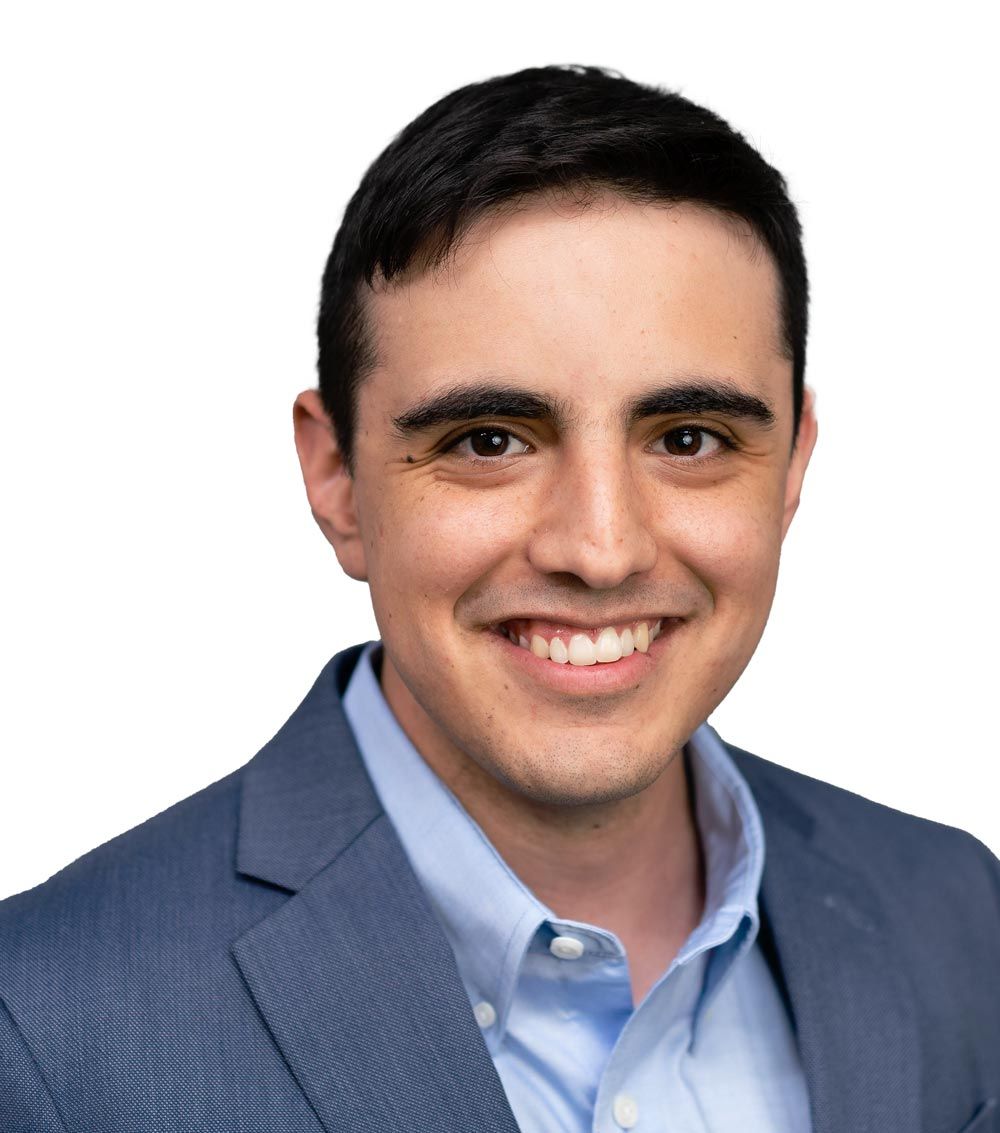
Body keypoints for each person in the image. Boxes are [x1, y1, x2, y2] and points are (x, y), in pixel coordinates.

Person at [1, 63, 997, 1133]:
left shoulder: (958, 908)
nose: (601, 548)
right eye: (489, 440)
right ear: (334, 477)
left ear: (791, 462)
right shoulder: (43, 1024)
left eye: (689, 438)